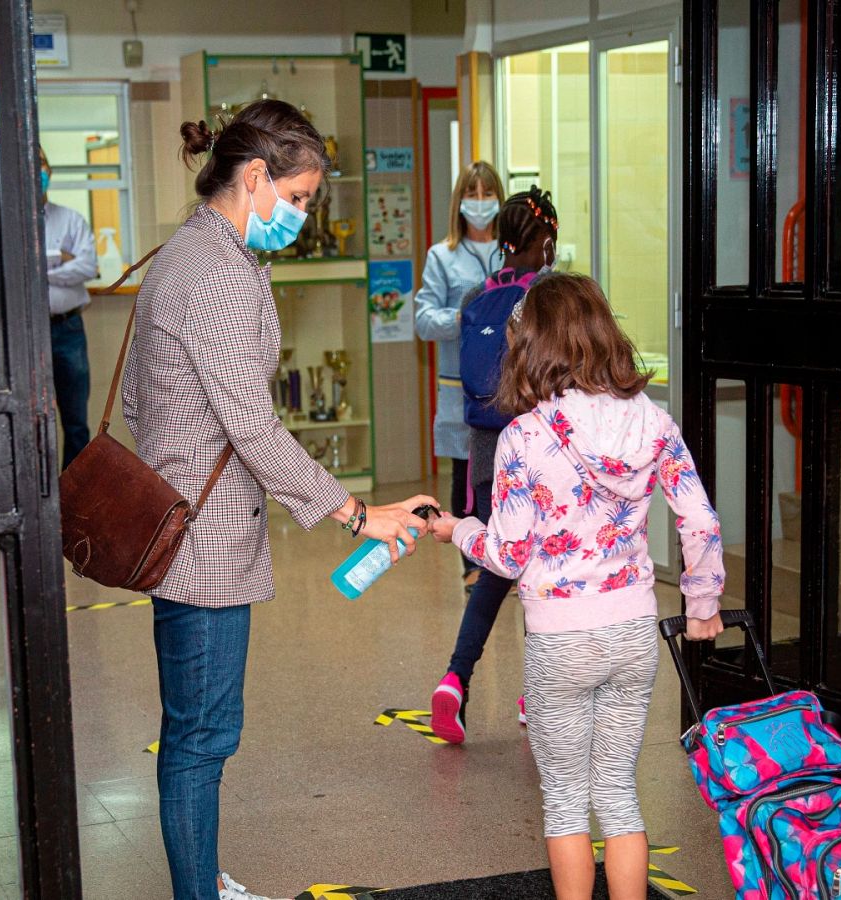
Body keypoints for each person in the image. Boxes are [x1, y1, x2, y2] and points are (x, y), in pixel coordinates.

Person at [122, 99, 436, 900]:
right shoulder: (219, 274)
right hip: (202, 541)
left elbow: (134, 400)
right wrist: (358, 514)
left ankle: (202, 879)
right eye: (296, 197)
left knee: (196, 730)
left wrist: (174, 454)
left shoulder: (188, 251)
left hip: (178, 518)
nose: (300, 215)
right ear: (255, 176)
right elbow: (254, 428)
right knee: (200, 738)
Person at [430, 272, 726, 900]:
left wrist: (458, 530)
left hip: (562, 639)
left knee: (565, 801)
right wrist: (702, 604)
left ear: (532, 346)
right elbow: (699, 519)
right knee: (618, 794)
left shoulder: (523, 438)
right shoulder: (653, 422)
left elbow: (507, 555)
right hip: (632, 633)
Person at [427, 187, 558, 744]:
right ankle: (537, 694)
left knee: (497, 570)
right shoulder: (551, 295)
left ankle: (455, 680)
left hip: (487, 454)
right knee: (544, 574)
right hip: (542, 454)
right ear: (546, 242)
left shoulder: (477, 294)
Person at [414, 162, 504, 588]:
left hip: (510, 388)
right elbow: (424, 320)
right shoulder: (442, 256)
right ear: (459, 202)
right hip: (461, 389)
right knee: (468, 475)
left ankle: (505, 559)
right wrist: (466, 317)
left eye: (488, 194)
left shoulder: (511, 253)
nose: (480, 203)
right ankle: (472, 565)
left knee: (509, 475)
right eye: (473, 194)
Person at [41, 146, 100, 469]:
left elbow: (87, 267)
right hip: (30, 333)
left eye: (42, 164)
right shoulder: (11, 224)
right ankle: (43, 493)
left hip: (68, 329)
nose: (38, 171)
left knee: (76, 421)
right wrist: (61, 260)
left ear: (49, 170)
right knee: (37, 420)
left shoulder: (71, 220)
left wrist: (42, 270)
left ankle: (73, 492)